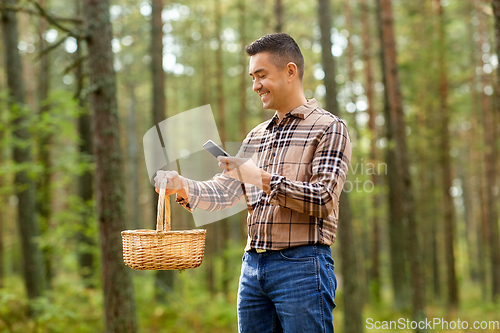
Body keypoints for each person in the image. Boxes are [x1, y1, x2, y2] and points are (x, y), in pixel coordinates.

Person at [154, 33, 351, 333]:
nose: (255, 85)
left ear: (290, 71)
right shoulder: (256, 136)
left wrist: (259, 178)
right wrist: (181, 184)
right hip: (252, 268)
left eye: (261, 75)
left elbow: (323, 199)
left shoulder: (328, 128)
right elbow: (224, 192)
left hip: (302, 266)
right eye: (252, 77)